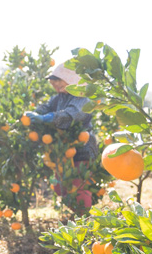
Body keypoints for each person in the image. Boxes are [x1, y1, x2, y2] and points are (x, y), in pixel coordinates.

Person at [24, 62, 98, 213]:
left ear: (72, 79)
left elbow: (71, 115)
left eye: (59, 81)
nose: (56, 86)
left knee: (79, 185)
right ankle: (78, 214)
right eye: (54, 83)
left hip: (82, 149)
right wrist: (34, 114)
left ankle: (84, 220)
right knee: (60, 186)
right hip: (63, 151)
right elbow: (46, 107)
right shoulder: (58, 98)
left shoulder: (83, 98)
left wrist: (47, 118)